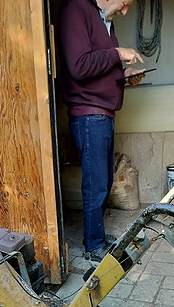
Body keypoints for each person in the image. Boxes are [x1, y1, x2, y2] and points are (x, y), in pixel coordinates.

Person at [58, 0, 145, 262]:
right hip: (89, 115)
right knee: (95, 184)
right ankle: (93, 245)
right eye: (125, 3)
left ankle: (96, 237)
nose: (125, 11)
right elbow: (79, 66)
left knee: (103, 181)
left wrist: (124, 75)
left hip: (103, 114)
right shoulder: (76, 9)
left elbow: (99, 68)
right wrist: (117, 53)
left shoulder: (105, 21)